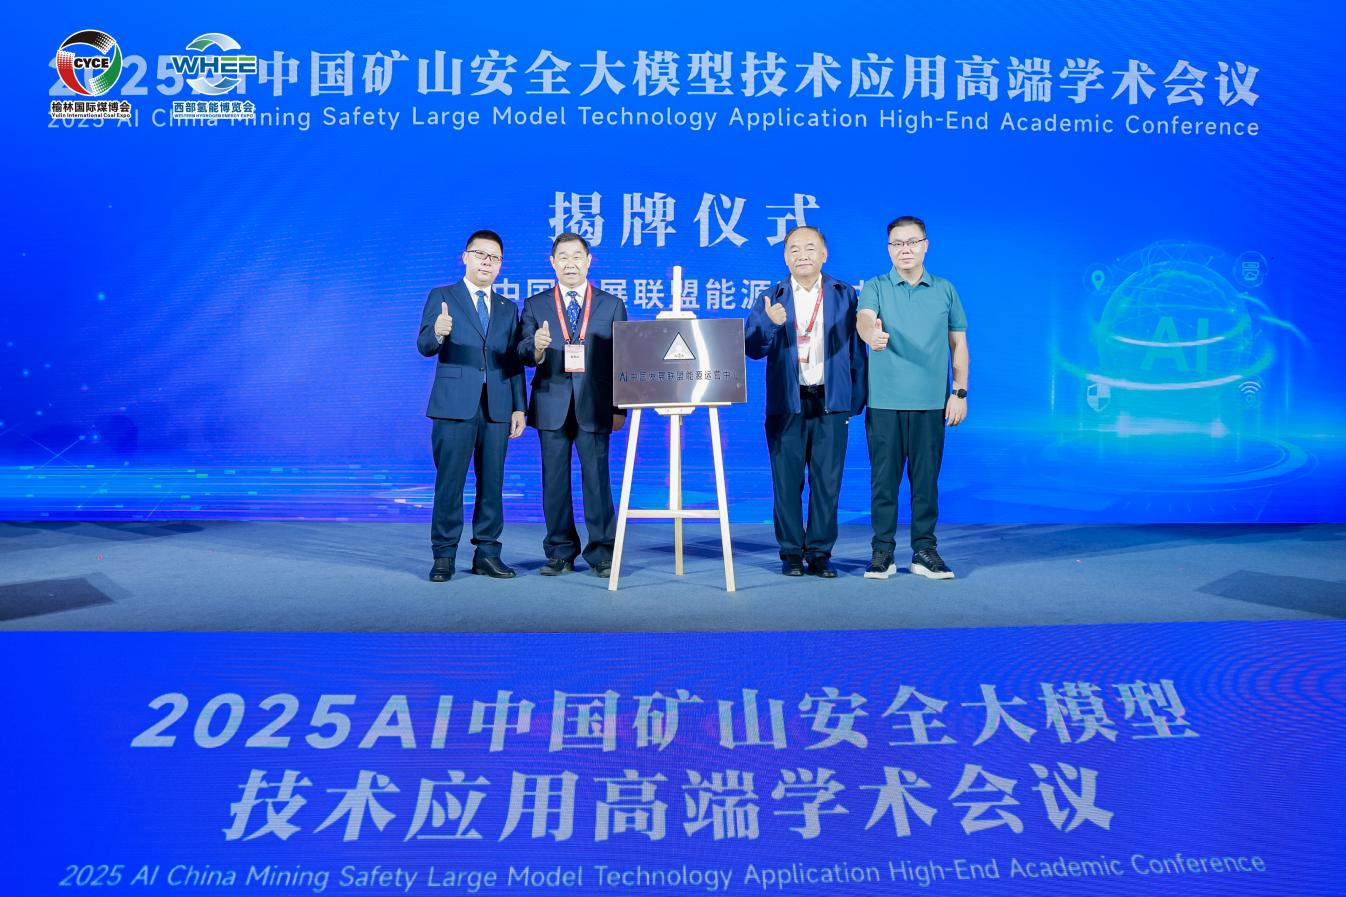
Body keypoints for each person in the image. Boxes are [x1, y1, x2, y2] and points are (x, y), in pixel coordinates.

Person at [745, 226, 867, 578]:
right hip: (787, 403)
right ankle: (790, 554)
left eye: (810, 248)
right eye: (794, 249)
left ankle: (819, 553)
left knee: (827, 482)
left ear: (824, 254)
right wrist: (769, 324)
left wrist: (854, 399)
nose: (802, 255)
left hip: (831, 401)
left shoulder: (845, 294)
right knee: (787, 483)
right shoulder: (771, 297)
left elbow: (857, 352)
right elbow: (752, 348)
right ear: (786, 257)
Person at [857, 215, 969, 580]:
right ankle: (882, 552)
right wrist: (871, 335)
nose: (904, 249)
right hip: (884, 403)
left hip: (931, 404)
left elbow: (958, 344)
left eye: (912, 242)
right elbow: (864, 319)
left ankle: (924, 551)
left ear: (925, 245)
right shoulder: (876, 286)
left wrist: (959, 392)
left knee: (925, 483)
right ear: (888, 248)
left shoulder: (945, 289)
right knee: (883, 483)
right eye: (897, 244)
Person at [416, 230, 527, 582]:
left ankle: (488, 553)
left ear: (500, 266)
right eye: (481, 254)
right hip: (454, 406)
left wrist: (519, 407)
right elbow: (424, 346)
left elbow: (513, 360)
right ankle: (444, 555)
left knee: (492, 483)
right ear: (465, 257)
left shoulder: (508, 307)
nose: (487, 262)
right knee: (450, 483)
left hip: (497, 406)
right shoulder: (442, 296)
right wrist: (437, 331)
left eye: (494, 258)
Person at [518, 233, 628, 577]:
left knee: (597, 479)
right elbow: (522, 351)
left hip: (595, 404)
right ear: (552, 263)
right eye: (562, 257)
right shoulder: (535, 305)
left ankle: (603, 552)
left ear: (589, 260)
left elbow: (623, 361)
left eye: (576, 256)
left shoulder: (611, 304)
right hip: (551, 402)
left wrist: (620, 408)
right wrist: (536, 347)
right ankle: (560, 551)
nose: (570, 263)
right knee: (554, 482)